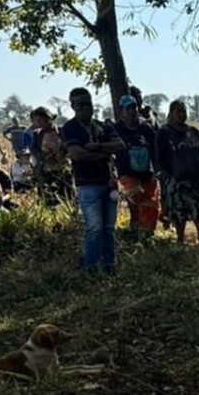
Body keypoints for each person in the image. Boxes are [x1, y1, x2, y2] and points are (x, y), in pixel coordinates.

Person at [61, 87, 126, 272]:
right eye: (79, 105)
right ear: (72, 106)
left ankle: (109, 265)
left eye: (87, 103)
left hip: (108, 182)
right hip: (87, 184)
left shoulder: (103, 125)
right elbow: (76, 154)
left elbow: (120, 145)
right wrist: (104, 153)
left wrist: (95, 146)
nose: (84, 108)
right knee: (94, 227)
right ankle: (90, 266)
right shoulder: (70, 127)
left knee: (108, 228)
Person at [155, 100, 199, 243]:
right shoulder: (164, 133)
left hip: (196, 178)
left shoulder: (192, 132)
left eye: (184, 111)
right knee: (179, 212)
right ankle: (180, 239)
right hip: (177, 179)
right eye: (178, 111)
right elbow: (159, 156)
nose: (182, 114)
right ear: (171, 113)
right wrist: (167, 174)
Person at [113, 95, 160, 237]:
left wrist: (158, 170)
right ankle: (135, 231)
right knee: (136, 198)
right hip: (128, 173)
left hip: (147, 173)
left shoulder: (145, 129)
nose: (132, 111)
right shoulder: (116, 129)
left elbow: (155, 150)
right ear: (121, 111)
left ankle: (146, 235)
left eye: (134, 108)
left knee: (150, 205)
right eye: (128, 109)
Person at [31, 107, 73, 205]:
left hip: (63, 168)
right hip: (46, 170)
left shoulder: (62, 131)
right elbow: (34, 149)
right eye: (37, 121)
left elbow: (69, 146)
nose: (39, 123)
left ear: (48, 118)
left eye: (41, 120)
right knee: (48, 198)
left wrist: (63, 154)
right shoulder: (37, 134)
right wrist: (42, 156)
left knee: (68, 196)